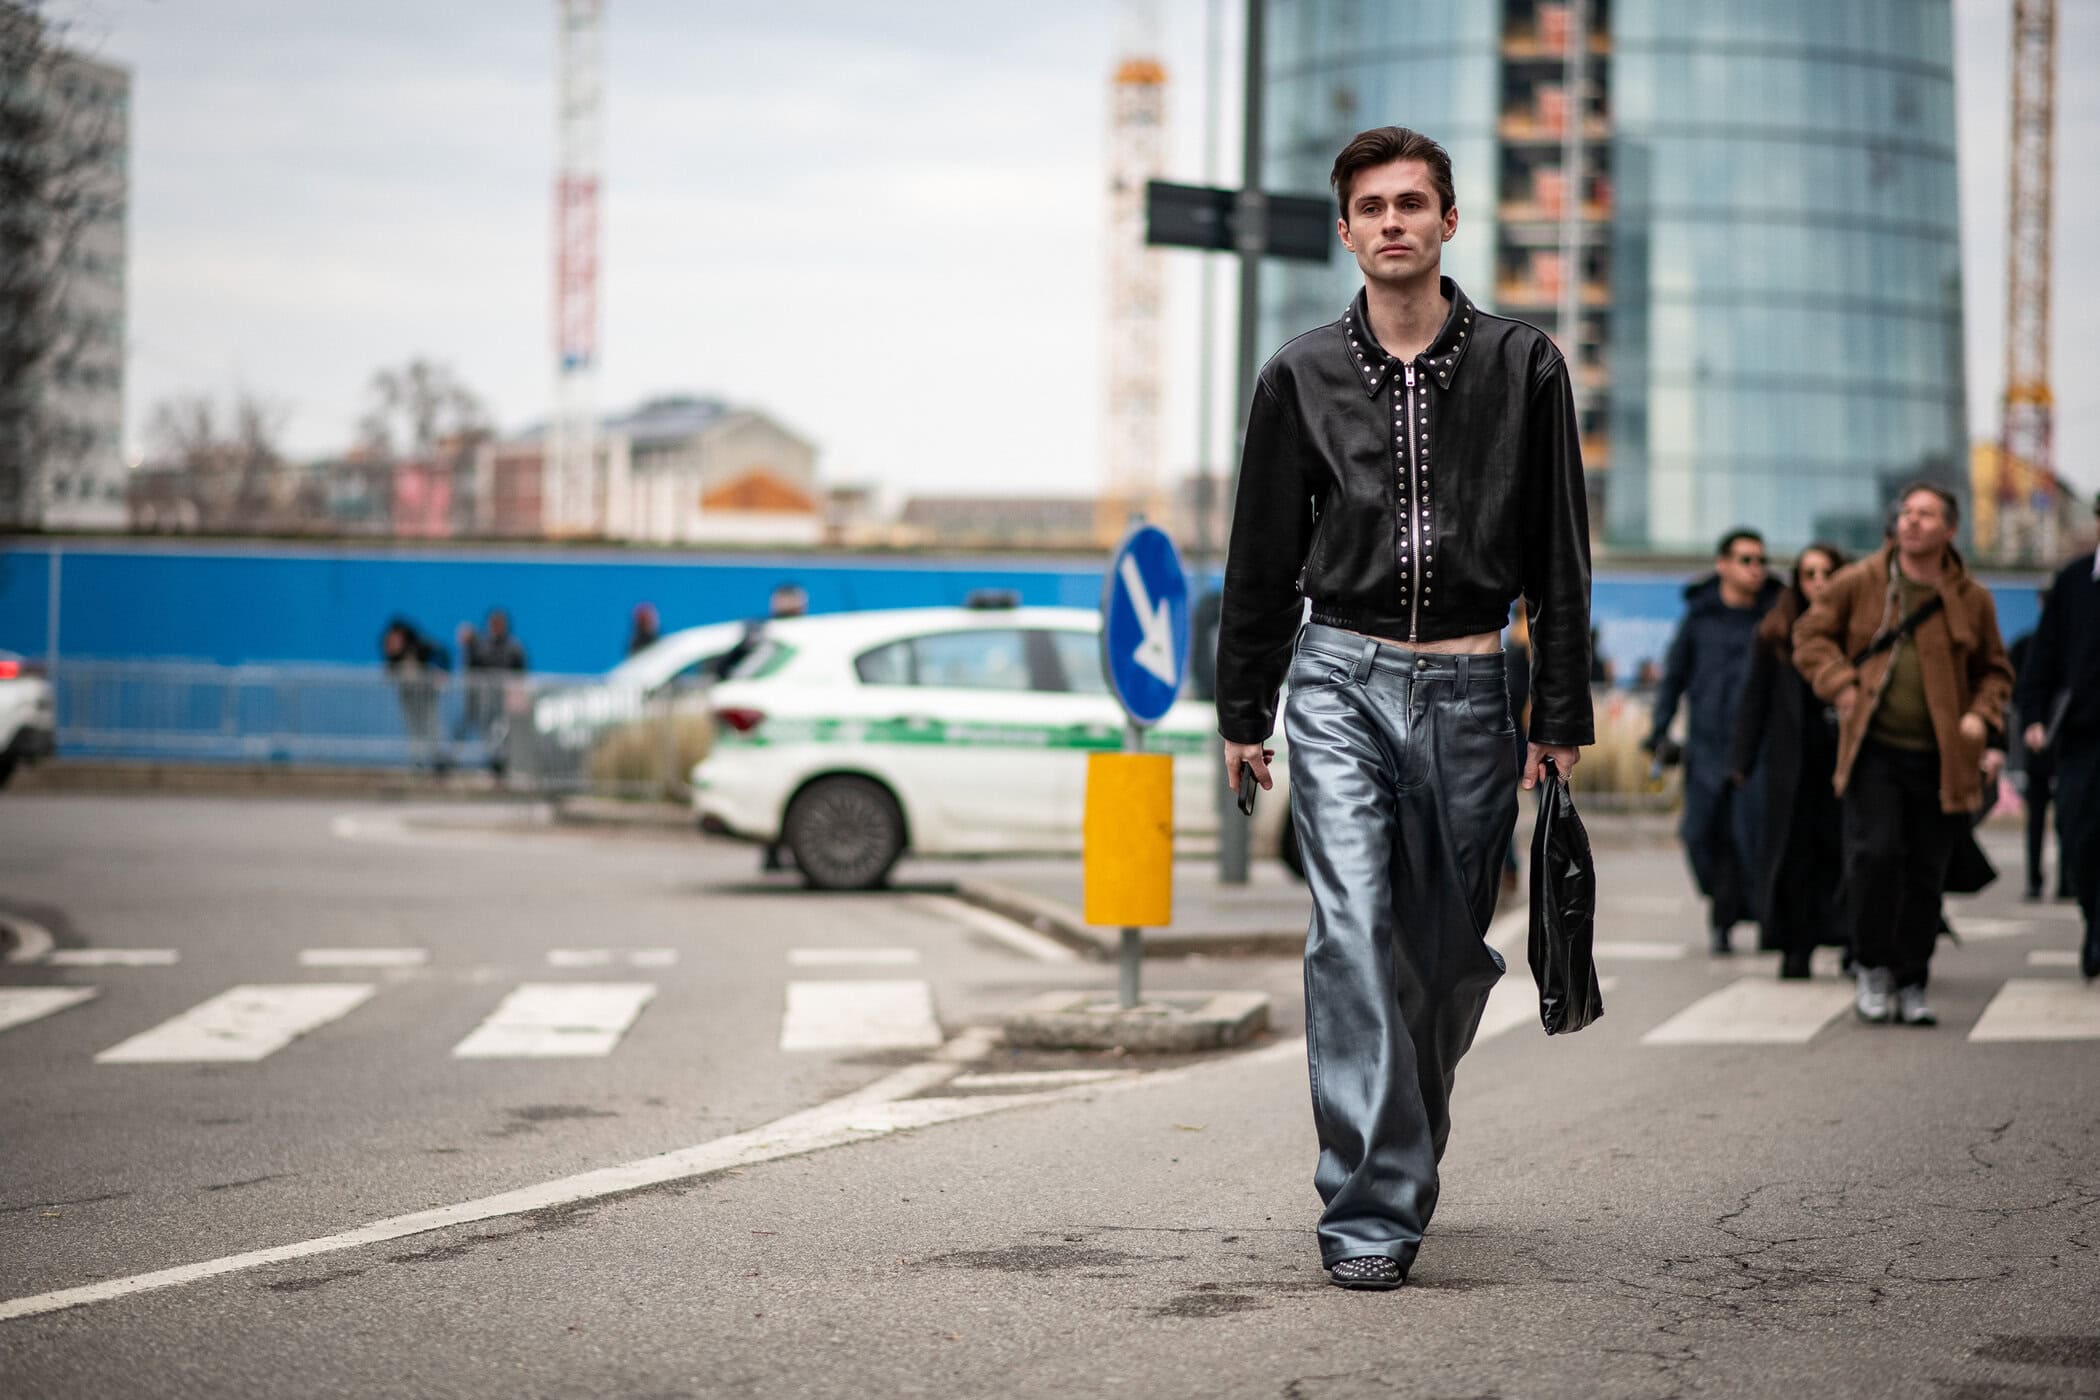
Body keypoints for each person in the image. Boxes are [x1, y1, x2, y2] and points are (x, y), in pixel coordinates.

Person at [1216, 126, 1591, 1291]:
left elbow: (1560, 558)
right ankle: (1370, 1204)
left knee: (1442, 957)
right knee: (1354, 934)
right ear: (1346, 230)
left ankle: (1405, 1129)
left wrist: (1559, 714)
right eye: (1370, 205)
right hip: (1338, 679)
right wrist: (1245, 705)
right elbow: (1261, 556)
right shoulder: (1299, 373)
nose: (1391, 220)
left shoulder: (1525, 365)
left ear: (1447, 222)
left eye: (1412, 202)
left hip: (1478, 689)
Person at [1793, 484, 2014, 1025]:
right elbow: (1809, 635)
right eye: (1907, 513)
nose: (1912, 522)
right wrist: (1841, 684)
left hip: (1942, 759)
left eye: (1926, 514)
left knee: (1924, 871)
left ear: (1950, 530)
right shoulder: (1861, 580)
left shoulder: (1972, 597)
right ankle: (1871, 966)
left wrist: (1980, 716)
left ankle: (1912, 978)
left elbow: (1996, 671)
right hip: (1874, 752)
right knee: (1875, 856)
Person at [1643, 530, 1783, 953]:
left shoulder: (1776, 617)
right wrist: (1659, 730)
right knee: (1700, 834)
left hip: (1758, 751)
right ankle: (1723, 907)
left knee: (1751, 836)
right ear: (1722, 564)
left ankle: (1747, 918)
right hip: (1706, 748)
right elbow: (1674, 678)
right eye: (1745, 559)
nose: (1755, 568)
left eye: (1760, 560)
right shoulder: (1699, 618)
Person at [1727, 544, 1848, 978]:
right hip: (1791, 768)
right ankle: (1796, 946)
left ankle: (1854, 941)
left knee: (1846, 854)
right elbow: (1754, 700)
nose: (1818, 582)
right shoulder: (1777, 632)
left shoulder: (1858, 630)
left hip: (1847, 765)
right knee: (1793, 858)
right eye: (1809, 573)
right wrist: (1740, 760)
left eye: (1826, 572)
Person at [2014, 493, 2100, 978]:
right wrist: (2033, 716)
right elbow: (2042, 657)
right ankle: (2093, 917)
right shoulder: (2072, 582)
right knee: (2080, 837)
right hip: (2082, 739)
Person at [2007, 589, 2072, 901]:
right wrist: (2031, 723)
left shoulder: (2072, 647)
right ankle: (2034, 879)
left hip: (2068, 746)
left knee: (2068, 818)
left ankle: (2067, 882)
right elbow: (2016, 691)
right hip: (2036, 746)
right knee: (2035, 819)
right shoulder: (2024, 646)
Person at [380, 617, 450, 774]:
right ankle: (418, 759)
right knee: (413, 726)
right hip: (408, 694)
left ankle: (438, 758)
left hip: (427, 693)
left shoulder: (421, 644)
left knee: (432, 724)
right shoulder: (392, 648)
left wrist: (442, 672)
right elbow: (391, 668)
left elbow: (441, 653)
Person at [465, 608, 527, 776]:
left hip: (506, 699)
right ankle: (493, 764)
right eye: (493, 623)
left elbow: (521, 673)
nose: (496, 627)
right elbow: (472, 668)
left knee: (504, 731)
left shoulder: (514, 647)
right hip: (485, 700)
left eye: (499, 623)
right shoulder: (482, 645)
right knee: (488, 731)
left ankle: (503, 764)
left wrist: (518, 694)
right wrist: (468, 647)